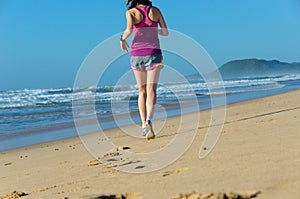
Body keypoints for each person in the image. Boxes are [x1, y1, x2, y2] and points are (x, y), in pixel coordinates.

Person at [120, 0, 168, 140]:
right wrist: (153, 29)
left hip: (137, 54)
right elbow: (165, 32)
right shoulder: (156, 11)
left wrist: (122, 39)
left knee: (142, 91)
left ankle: (143, 126)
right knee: (152, 89)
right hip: (153, 52)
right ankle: (149, 122)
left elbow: (128, 30)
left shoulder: (131, 12)